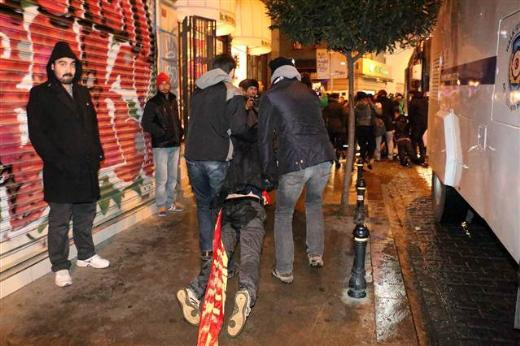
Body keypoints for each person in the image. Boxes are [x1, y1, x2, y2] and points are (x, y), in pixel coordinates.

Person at [177, 89, 265, 336]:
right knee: (250, 254)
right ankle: (246, 293)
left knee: (220, 258)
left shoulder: (229, 145)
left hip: (228, 206)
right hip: (252, 205)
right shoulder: (261, 143)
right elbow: (270, 177)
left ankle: (194, 291)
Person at [27, 41, 109, 287]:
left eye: (72, 64)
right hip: (60, 170)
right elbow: (37, 135)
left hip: (86, 167)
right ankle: (60, 266)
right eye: (62, 64)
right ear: (52, 67)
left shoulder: (83, 92)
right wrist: (59, 162)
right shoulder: (40, 93)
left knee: (86, 213)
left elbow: (92, 127)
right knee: (60, 220)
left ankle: (85, 254)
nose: (68, 69)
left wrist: (97, 155)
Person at [258, 57, 335, 284]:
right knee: (314, 204)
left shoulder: (271, 96)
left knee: (283, 213)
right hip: (323, 158)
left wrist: (267, 171)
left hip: (295, 161)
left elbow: (263, 139)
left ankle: (284, 269)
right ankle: (316, 255)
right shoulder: (310, 93)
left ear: (274, 75)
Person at [184, 54, 248, 260]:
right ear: (230, 71)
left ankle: (206, 249)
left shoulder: (197, 91)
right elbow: (239, 128)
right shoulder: (233, 92)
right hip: (217, 156)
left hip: (193, 154)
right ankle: (222, 249)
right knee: (221, 204)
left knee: (203, 203)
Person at [141, 72, 184, 216]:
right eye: (162, 83)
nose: (165, 86)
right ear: (158, 85)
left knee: (172, 177)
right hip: (161, 146)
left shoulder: (173, 99)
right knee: (162, 177)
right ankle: (161, 205)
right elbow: (146, 123)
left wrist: (180, 132)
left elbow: (176, 119)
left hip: (174, 143)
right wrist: (161, 132)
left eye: (166, 83)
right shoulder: (153, 103)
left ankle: (170, 203)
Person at [322, 93, 347, 168]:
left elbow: (323, 117)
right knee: (339, 145)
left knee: (331, 144)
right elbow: (344, 116)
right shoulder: (340, 106)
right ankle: (337, 160)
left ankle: (331, 159)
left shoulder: (327, 107)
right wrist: (343, 125)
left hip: (330, 127)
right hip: (339, 127)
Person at [354, 92, 376, 168]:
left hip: (359, 127)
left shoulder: (356, 106)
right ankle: (370, 159)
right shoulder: (368, 105)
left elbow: (354, 117)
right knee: (372, 144)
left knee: (362, 145)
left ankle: (362, 161)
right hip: (368, 127)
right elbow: (377, 112)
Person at [408, 91, 429, 162]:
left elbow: (410, 114)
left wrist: (410, 123)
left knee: (414, 139)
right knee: (420, 139)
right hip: (425, 124)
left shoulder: (413, 102)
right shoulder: (425, 102)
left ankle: (414, 156)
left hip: (416, 123)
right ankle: (422, 156)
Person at [376, 90, 396, 160]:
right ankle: (390, 156)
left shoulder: (376, 101)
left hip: (379, 123)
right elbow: (393, 113)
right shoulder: (390, 101)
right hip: (388, 123)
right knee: (390, 140)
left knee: (378, 140)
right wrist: (393, 120)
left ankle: (378, 156)